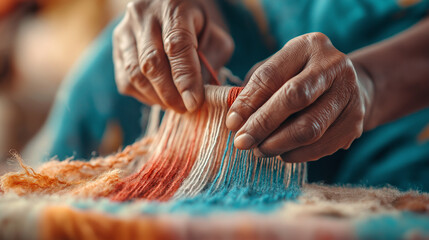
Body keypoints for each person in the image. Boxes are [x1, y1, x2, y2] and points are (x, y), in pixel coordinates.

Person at [25, 0, 429, 191]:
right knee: (104, 83)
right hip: (248, 34)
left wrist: (372, 82)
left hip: (408, 85)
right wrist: (189, 10)